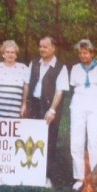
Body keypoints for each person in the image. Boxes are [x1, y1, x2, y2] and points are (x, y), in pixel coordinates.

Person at [22, 36, 68, 184]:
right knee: (30, 138)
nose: (42, 49)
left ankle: (45, 176)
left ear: (53, 48)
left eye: (45, 46)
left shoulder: (61, 67)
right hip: (33, 104)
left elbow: (60, 91)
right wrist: (24, 104)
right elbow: (27, 85)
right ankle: (28, 173)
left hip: (49, 107)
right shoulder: (34, 63)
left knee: (49, 140)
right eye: (40, 46)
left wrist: (52, 110)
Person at [69, 39, 97, 191]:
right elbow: (73, 86)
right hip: (78, 107)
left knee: (93, 141)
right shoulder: (75, 69)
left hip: (96, 108)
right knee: (76, 141)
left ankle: (96, 177)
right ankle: (80, 177)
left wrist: (96, 100)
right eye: (80, 53)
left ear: (92, 53)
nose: (82, 56)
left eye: (85, 53)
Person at [0, 40, 29, 118]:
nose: (10, 54)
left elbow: (26, 89)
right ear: (3, 54)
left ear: (16, 54)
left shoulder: (23, 68)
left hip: (15, 112)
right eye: (7, 52)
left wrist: (24, 104)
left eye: (12, 52)